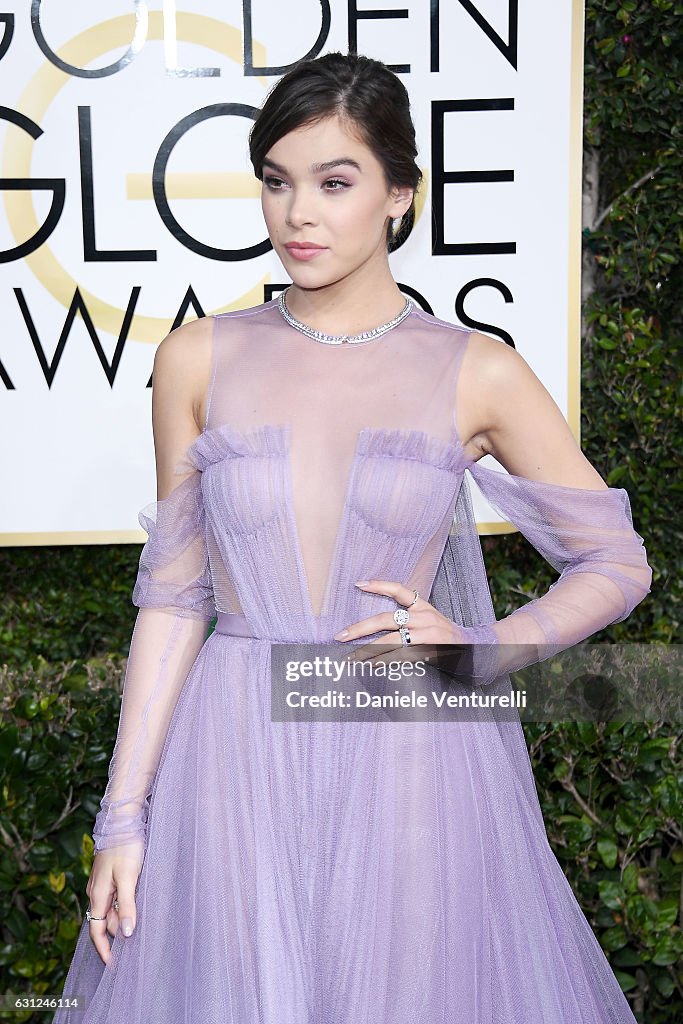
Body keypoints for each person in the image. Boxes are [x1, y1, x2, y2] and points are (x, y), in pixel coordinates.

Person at [53, 52, 652, 1024]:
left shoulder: (476, 371)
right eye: (278, 182)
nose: (299, 214)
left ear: (398, 198)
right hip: (235, 750)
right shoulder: (196, 358)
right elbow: (172, 598)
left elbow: (618, 561)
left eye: (335, 183)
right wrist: (124, 817)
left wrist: (489, 647)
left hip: (408, 752)